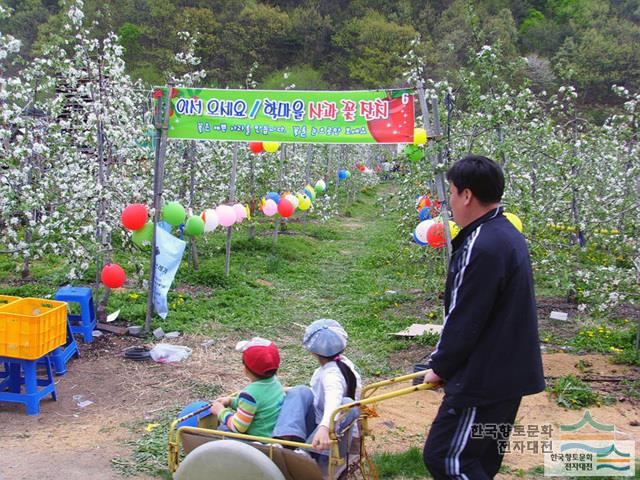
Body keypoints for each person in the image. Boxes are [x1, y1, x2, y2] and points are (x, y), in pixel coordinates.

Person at [422, 155, 545, 479]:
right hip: (509, 376)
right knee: (479, 461)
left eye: (451, 193)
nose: (449, 201)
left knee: (447, 458)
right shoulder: (506, 233)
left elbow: (465, 316)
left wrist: (441, 367)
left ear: (467, 195)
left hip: (484, 380)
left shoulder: (480, 244)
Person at [273, 319, 362, 454]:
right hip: (322, 426)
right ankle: (283, 441)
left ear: (312, 352)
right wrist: (285, 390)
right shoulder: (344, 364)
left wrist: (324, 427)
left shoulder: (331, 375)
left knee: (347, 405)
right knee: (300, 390)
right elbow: (319, 395)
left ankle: (302, 453)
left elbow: (334, 398)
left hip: (329, 440)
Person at [210, 337, 285, 438]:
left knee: (223, 430)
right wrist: (230, 401)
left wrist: (220, 411)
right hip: (274, 433)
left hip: (261, 441)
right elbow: (254, 405)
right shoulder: (274, 382)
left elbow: (238, 427)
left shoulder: (250, 394)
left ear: (246, 369)